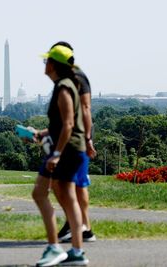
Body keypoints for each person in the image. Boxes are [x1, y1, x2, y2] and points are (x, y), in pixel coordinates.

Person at [32, 44, 89, 266]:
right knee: (67, 197)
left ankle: (56, 247)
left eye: (46, 61)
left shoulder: (64, 88)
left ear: (54, 64)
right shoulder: (65, 84)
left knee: (40, 193)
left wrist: (56, 153)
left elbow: (68, 124)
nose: (44, 65)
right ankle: (76, 251)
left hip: (66, 150)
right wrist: (42, 133)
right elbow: (61, 125)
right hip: (71, 149)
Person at [53, 42, 97, 243]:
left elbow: (86, 108)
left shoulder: (76, 78)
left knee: (72, 185)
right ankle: (82, 227)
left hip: (77, 138)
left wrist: (88, 139)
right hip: (75, 136)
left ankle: (78, 226)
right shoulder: (69, 78)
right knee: (75, 185)